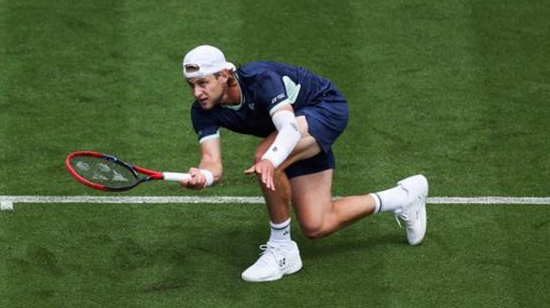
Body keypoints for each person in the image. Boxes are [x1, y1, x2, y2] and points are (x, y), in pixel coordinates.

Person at [179, 44, 428, 282]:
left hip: (325, 109)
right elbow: (213, 163)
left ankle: (282, 249)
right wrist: (203, 177)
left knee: (265, 158)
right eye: (191, 85)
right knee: (317, 224)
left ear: (224, 75)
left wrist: (270, 160)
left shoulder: (261, 79)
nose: (197, 93)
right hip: (291, 135)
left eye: (203, 83)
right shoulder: (202, 111)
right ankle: (403, 197)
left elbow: (288, 128)